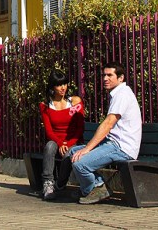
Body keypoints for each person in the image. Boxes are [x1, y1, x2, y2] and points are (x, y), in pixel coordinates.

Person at [66, 63, 141, 204]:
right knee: (73, 152)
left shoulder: (123, 95)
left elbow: (108, 123)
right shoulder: (118, 94)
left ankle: (93, 189)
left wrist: (87, 149)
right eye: (104, 75)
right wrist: (84, 149)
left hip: (122, 147)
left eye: (110, 75)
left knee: (79, 163)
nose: (105, 78)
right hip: (113, 143)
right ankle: (96, 186)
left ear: (121, 78)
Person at [38, 69, 84, 201]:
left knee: (69, 153)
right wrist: (60, 143)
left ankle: (60, 183)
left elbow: (79, 128)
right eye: (59, 85)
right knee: (49, 146)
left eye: (64, 84)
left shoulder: (74, 102)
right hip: (56, 140)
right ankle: (48, 184)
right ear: (52, 87)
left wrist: (68, 144)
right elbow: (49, 131)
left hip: (73, 140)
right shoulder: (45, 106)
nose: (63, 88)